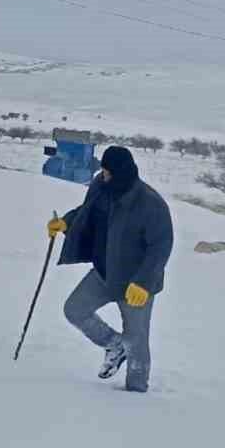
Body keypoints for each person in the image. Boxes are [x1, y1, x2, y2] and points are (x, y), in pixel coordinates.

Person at [47, 145, 174, 393]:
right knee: (74, 309)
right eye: (102, 171)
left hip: (135, 284)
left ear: (121, 172)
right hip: (105, 272)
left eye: (107, 172)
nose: (102, 175)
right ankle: (114, 344)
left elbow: (160, 246)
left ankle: (136, 393)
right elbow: (87, 214)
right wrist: (65, 222)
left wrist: (144, 283)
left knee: (137, 340)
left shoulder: (150, 203)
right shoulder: (101, 188)